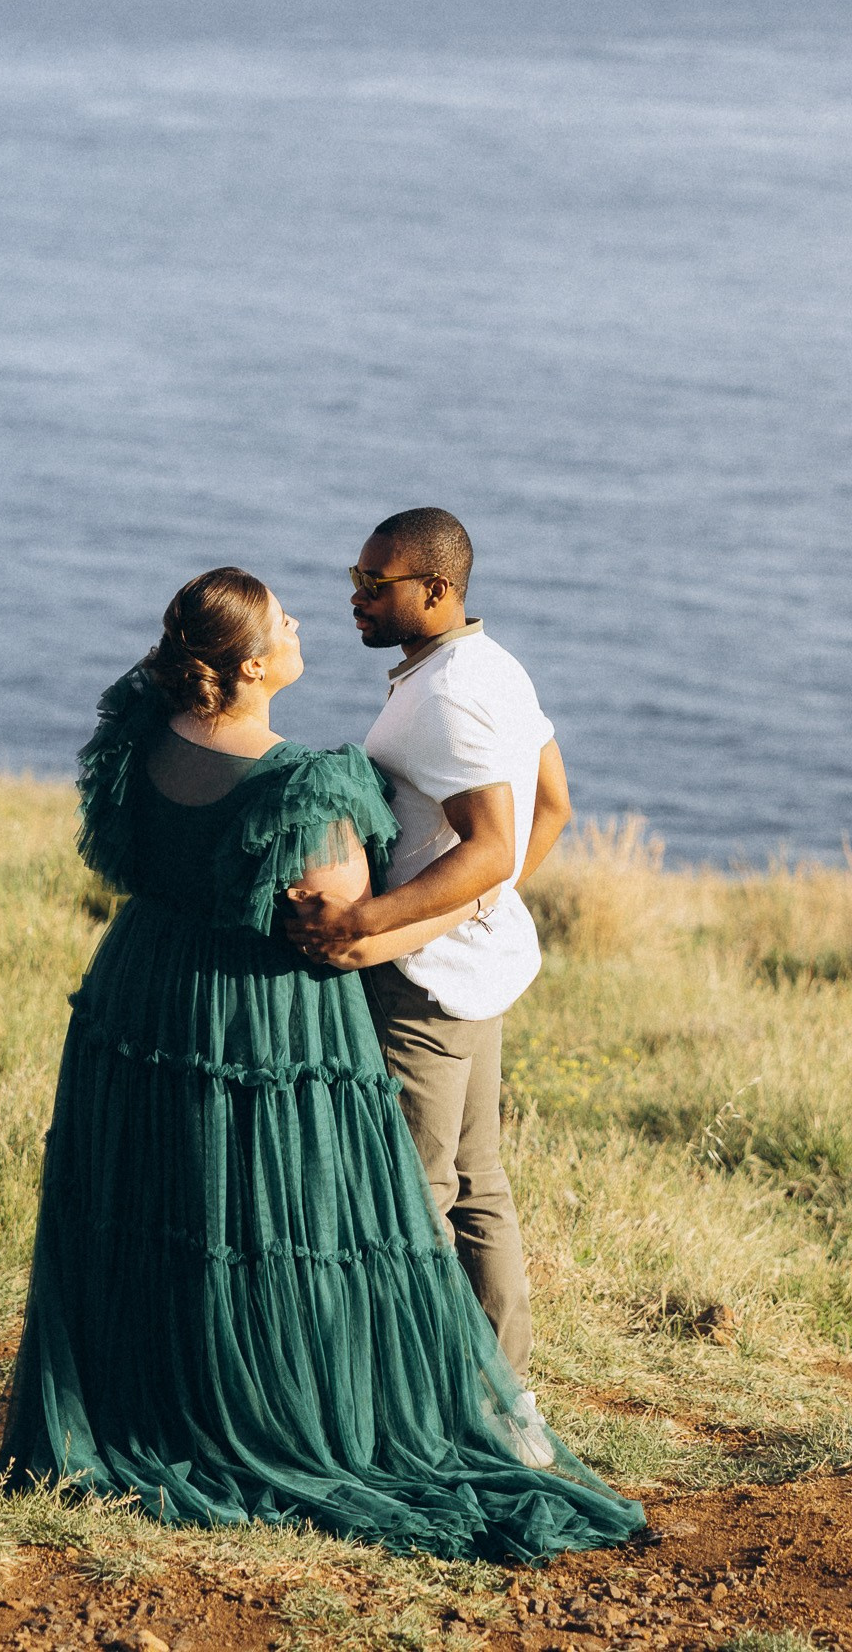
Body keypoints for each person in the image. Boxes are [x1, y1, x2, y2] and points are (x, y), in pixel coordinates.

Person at [0, 566, 642, 1562]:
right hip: (258, 1018)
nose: (307, 624)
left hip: (141, 986)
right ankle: (329, 1407)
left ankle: (149, 1405)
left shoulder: (142, 732)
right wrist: (457, 903)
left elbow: (124, 852)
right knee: (287, 1223)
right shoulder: (305, 782)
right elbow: (330, 924)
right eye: (286, 620)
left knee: (152, 1211)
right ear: (253, 664)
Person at [284, 508, 566, 1460]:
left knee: (413, 1202)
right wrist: (476, 911)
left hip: (423, 987)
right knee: (478, 1192)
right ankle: (503, 1402)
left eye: (376, 584)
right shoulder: (493, 667)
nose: (355, 599)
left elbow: (491, 844)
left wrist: (363, 924)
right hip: (471, 966)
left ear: (436, 591)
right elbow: (550, 808)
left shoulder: (446, 696)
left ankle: (431, 1415)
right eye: (354, 578)